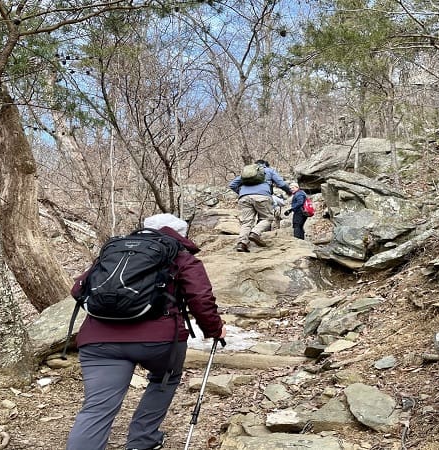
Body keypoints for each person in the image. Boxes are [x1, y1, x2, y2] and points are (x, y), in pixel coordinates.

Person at [66, 213, 226, 450]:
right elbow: (199, 298)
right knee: (165, 378)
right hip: (158, 340)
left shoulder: (114, 253)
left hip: (99, 340)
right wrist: (214, 330)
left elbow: (77, 289)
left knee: (97, 407)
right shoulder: (181, 256)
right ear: (181, 235)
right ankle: (142, 440)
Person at [228, 159, 292, 252]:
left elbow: (232, 185)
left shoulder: (248, 172)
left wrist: (242, 193)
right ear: (266, 165)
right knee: (267, 218)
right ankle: (255, 233)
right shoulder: (269, 170)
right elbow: (281, 183)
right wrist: (289, 191)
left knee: (246, 222)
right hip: (262, 197)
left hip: (244, 198)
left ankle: (242, 243)